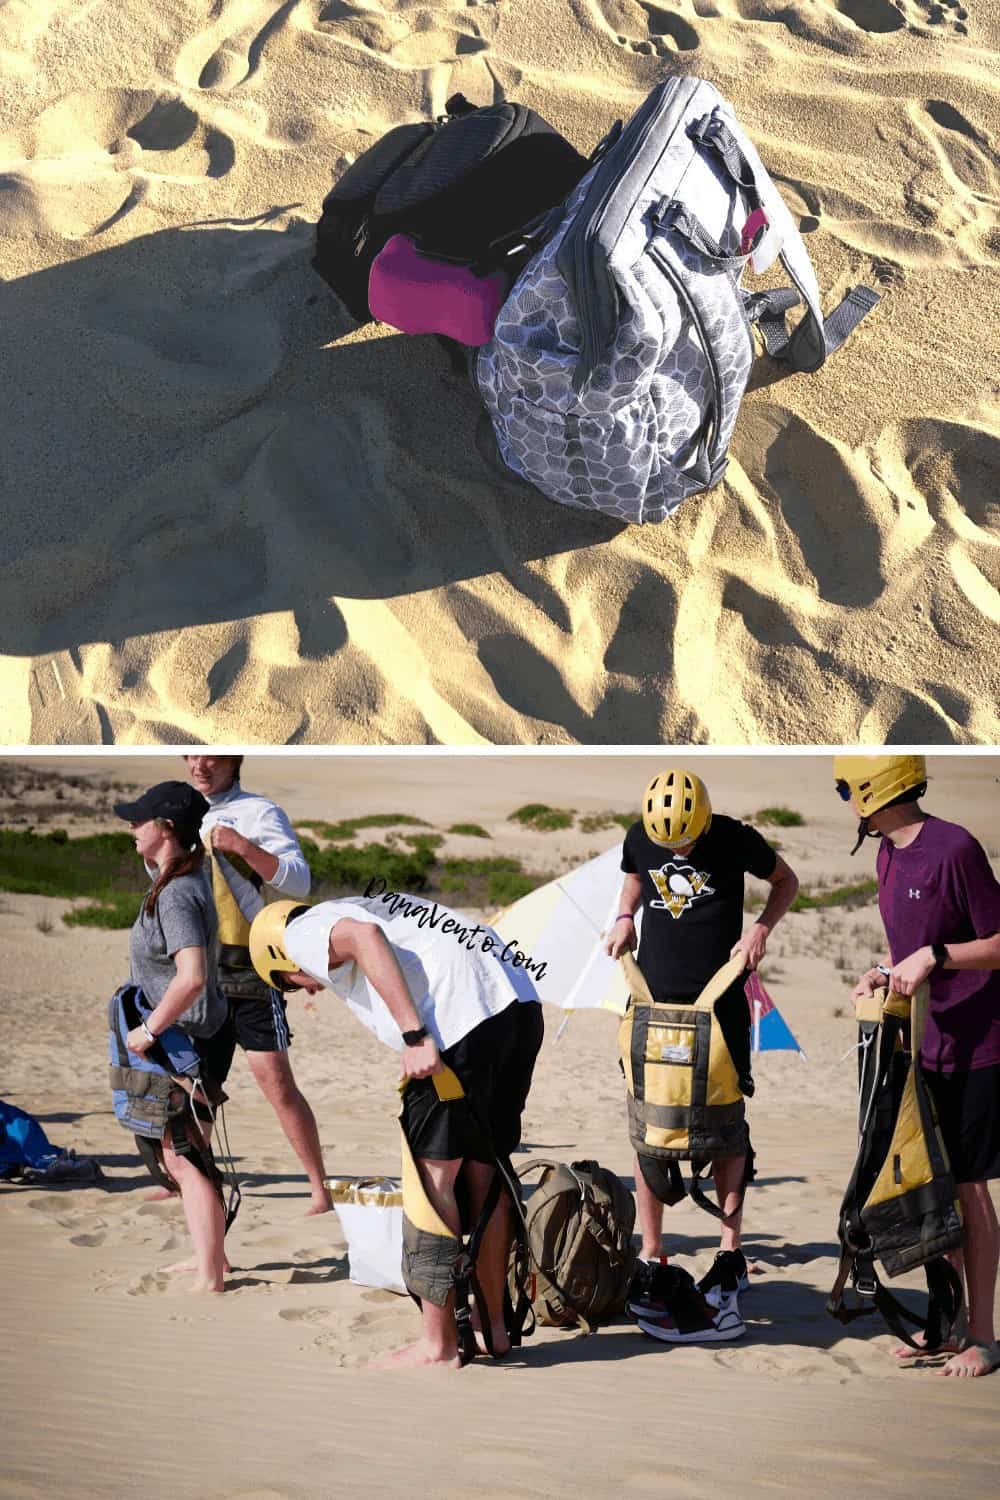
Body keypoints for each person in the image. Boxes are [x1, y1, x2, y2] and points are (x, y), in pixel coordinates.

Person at [248, 889, 544, 1369]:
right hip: (519, 1008)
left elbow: (364, 939)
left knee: (432, 1182)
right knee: (484, 1170)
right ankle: (494, 1330)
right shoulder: (375, 903)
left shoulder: (303, 930)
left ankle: (438, 1344)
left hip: (459, 1025)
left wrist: (414, 1035)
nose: (306, 988)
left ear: (277, 954)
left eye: (287, 981)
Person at [604, 767, 799, 1313]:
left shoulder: (736, 838)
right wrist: (625, 916)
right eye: (671, 843)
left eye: (687, 841)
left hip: (721, 1001)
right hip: (652, 1000)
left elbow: (787, 882)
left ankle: (729, 1249)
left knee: (727, 1127)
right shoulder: (641, 834)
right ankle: (652, 1250)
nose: (680, 850)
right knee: (647, 1125)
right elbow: (635, 877)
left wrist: (760, 928)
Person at [836, 754, 1000, 1379]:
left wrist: (937, 956)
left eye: (848, 786)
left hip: (977, 1049)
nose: (846, 797)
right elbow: (911, 946)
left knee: (967, 1188)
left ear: (875, 788)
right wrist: (886, 969)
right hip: (918, 1045)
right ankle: (947, 1323)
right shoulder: (885, 853)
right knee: (929, 1192)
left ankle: (983, 1335)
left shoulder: (954, 848)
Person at [183, 754, 331, 1215]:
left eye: (212, 756)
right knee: (197, 1088)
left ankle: (318, 1187)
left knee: (276, 1083)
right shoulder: (182, 809)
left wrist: (243, 847)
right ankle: (195, 1183)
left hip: (252, 972)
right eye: (191, 755)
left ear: (235, 760)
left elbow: (299, 881)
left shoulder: (259, 812)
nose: (200, 764)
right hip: (200, 977)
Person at [115, 781, 230, 1293]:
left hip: (186, 1044)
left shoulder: (178, 893)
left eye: (140, 820)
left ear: (166, 830)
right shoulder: (178, 873)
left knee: (183, 1157)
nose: (131, 828)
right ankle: (211, 1259)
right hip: (191, 1039)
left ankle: (210, 1274)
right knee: (189, 1154)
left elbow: (192, 976)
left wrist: (147, 1031)